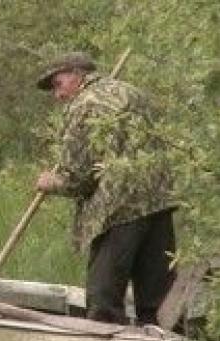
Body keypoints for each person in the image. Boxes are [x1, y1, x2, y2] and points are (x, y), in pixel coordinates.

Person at [34, 51, 177, 325]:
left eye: (58, 83)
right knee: (158, 297)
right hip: (159, 201)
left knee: (104, 300)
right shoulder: (132, 92)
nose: (57, 94)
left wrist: (50, 182)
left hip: (117, 210)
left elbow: (78, 178)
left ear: (77, 74)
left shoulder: (83, 106)